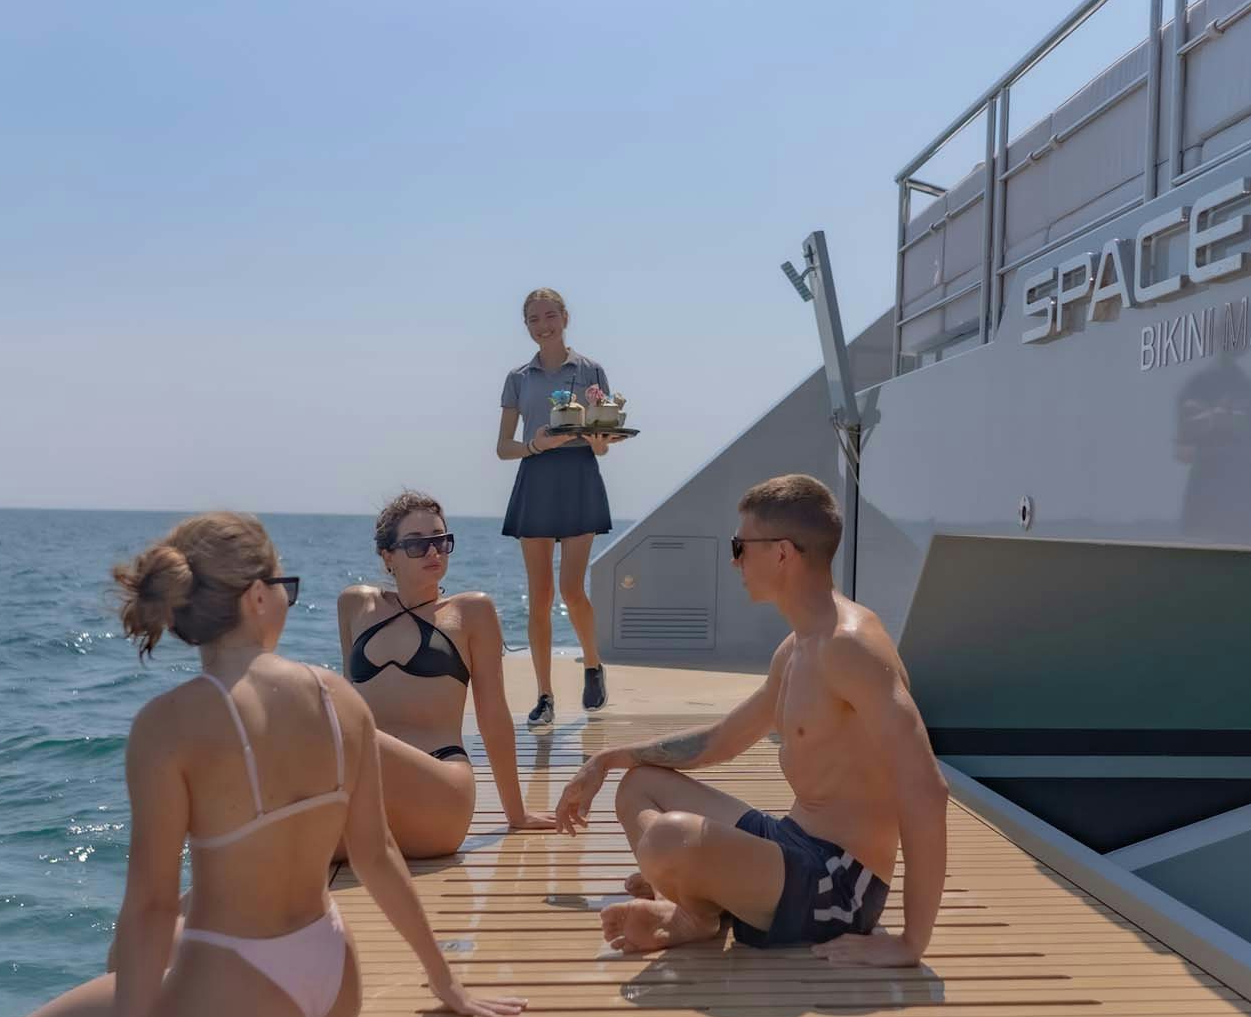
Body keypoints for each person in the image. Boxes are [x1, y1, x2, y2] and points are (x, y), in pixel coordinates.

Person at [0, 513, 523, 1017]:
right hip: (334, 984)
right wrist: (444, 982)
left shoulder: (169, 723)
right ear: (258, 598)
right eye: (285, 584)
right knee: (148, 952)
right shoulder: (339, 698)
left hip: (242, 1005)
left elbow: (148, 904)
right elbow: (378, 856)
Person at [552, 475, 948, 963]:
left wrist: (911, 943)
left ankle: (691, 908)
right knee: (640, 784)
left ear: (781, 553)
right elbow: (722, 740)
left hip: (839, 886)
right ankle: (696, 903)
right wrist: (609, 758)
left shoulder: (850, 648)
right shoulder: (798, 646)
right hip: (794, 843)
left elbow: (927, 789)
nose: (735, 560)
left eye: (740, 545)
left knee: (668, 837)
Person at [337, 492, 557, 856]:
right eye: (417, 545)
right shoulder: (355, 605)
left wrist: (515, 814)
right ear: (387, 555)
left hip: (440, 791)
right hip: (368, 793)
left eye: (441, 541)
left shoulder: (471, 612)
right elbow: (349, 703)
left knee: (337, 733)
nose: (434, 553)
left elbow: (493, 717)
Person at [495, 287, 619, 733]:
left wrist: (601, 442)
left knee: (572, 590)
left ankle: (592, 665)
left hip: (580, 478)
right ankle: (544, 696)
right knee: (540, 597)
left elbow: (602, 443)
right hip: (536, 479)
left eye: (550, 315)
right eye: (533, 319)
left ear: (565, 317)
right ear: (525, 325)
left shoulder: (591, 370)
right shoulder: (517, 378)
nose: (542, 324)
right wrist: (535, 444)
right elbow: (503, 448)